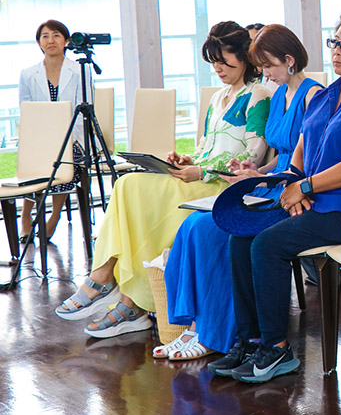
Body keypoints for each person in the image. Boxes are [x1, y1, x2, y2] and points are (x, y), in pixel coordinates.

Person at [216, 12, 341, 383]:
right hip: (317, 201)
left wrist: (303, 189)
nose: (337, 51)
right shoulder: (327, 95)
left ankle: (278, 349)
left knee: (267, 245)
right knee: (241, 237)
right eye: (334, 42)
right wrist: (293, 187)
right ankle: (251, 339)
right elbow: (300, 157)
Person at [55, 21, 271, 338]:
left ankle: (120, 294)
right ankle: (107, 279)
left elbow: (252, 157)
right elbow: (206, 147)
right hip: (202, 176)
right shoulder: (218, 97)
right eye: (213, 61)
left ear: (244, 57)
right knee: (126, 184)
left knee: (135, 193)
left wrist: (201, 171)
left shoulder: (259, 96)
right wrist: (189, 159)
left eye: (225, 60)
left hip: (224, 186)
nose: (218, 68)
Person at [157, 25, 322, 361]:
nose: (264, 73)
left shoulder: (312, 95)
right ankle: (196, 325)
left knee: (213, 228)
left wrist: (269, 178)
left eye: (268, 66)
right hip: (272, 183)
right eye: (260, 66)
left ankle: (217, 332)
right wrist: (254, 173)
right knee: (193, 225)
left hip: (290, 188)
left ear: (289, 60)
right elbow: (278, 155)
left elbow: (312, 159)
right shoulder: (279, 95)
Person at [17, 19, 88, 243]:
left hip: (71, 137)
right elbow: (26, 112)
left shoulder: (79, 71)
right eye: (45, 36)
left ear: (67, 41)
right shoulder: (28, 74)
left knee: (68, 158)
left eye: (56, 35)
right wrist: (40, 139)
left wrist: (69, 140)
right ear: (39, 43)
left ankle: (54, 216)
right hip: (39, 138)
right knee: (34, 160)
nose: (50, 40)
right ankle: (25, 218)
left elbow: (84, 110)